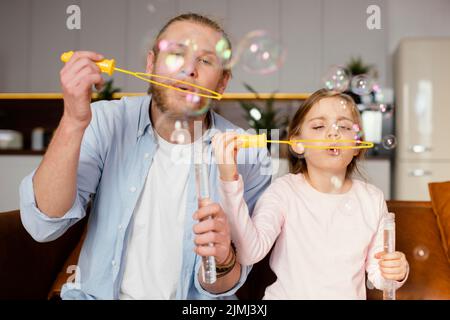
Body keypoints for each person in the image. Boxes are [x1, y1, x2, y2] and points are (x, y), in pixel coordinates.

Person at [19, 13, 271, 300]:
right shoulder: (104, 121)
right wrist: (73, 122)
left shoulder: (246, 151)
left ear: (223, 83)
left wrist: (223, 260)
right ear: (151, 65)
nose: (188, 69)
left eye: (205, 60)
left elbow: (225, 285)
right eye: (176, 54)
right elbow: (44, 225)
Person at [212, 89, 409, 299]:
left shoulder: (372, 199)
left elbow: (379, 276)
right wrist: (228, 177)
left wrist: (396, 271)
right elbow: (249, 252)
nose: (333, 133)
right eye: (318, 126)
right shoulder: (284, 191)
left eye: (343, 127)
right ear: (297, 144)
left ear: (357, 146)